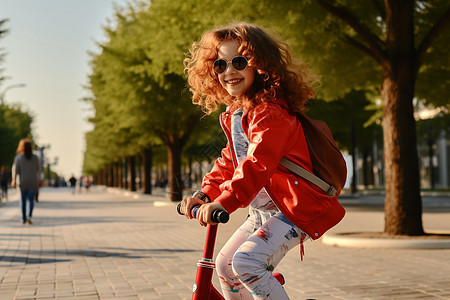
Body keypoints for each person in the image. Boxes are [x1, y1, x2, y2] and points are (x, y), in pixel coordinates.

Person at [180, 22, 345, 299]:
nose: (229, 71)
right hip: (264, 212)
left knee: (247, 263)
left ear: (260, 65)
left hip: (297, 209)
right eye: (220, 65)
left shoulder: (271, 113)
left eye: (239, 61)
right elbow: (230, 161)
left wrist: (226, 201)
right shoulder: (236, 113)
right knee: (225, 265)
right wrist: (205, 195)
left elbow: (257, 164)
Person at [11, 139, 40, 224]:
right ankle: (29, 216)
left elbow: (15, 170)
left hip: (22, 181)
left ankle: (23, 218)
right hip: (32, 181)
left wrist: (13, 180)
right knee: (31, 200)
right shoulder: (35, 157)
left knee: (22, 201)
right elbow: (37, 169)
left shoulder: (19, 157)